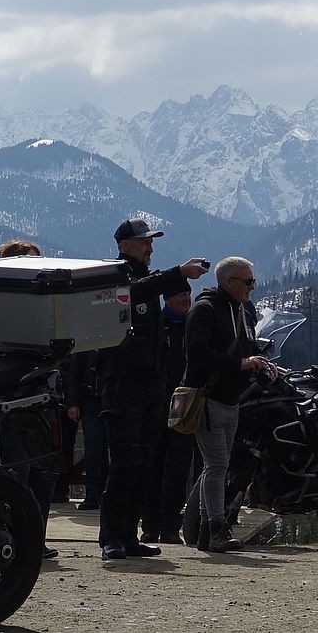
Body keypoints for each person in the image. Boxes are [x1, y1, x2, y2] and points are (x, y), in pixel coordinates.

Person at [97, 219, 207, 559]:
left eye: (151, 241)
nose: (150, 246)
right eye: (144, 241)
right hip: (122, 383)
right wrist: (179, 273)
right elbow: (132, 292)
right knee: (125, 462)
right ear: (124, 245)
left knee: (144, 462)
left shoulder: (146, 279)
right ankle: (111, 536)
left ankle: (130, 535)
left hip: (150, 384)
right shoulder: (115, 274)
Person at [182, 256, 270, 552]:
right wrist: (240, 364)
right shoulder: (204, 310)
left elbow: (247, 345)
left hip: (232, 398)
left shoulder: (242, 309)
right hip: (207, 397)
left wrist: (259, 361)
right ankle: (215, 529)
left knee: (217, 466)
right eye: (247, 281)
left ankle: (208, 533)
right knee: (217, 465)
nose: (252, 287)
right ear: (228, 281)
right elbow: (197, 354)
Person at [0, 240, 60, 559]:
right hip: (12, 399)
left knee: (46, 473)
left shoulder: (49, 305)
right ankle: (13, 538)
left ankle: (35, 539)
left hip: (45, 397)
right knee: (18, 473)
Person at [139, 283, 196, 544]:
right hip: (155, 403)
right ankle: (150, 524)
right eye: (181, 294)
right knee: (152, 464)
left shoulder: (193, 327)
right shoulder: (155, 325)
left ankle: (171, 525)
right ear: (167, 298)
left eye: (189, 294)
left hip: (185, 406)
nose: (187, 299)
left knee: (179, 467)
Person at [63, 349, 107, 510]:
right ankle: (92, 496)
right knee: (92, 450)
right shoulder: (88, 343)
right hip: (91, 401)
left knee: (111, 453)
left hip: (113, 400)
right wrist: (72, 403)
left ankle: (106, 495)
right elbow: (74, 373)